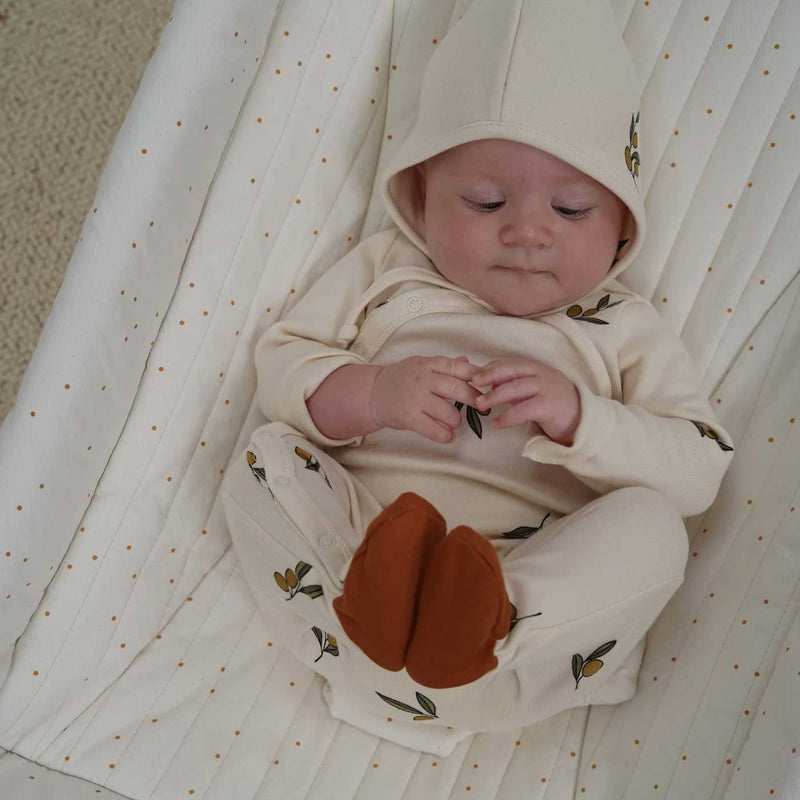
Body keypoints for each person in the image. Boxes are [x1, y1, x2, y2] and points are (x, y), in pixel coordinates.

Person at [220, 0, 734, 756]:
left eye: (571, 206)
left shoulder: (621, 326)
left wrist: (581, 420)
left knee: (656, 532)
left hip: (521, 616)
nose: (528, 230)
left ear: (622, 225)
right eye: (486, 200)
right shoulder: (387, 271)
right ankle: (377, 605)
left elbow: (698, 471)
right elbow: (282, 367)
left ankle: (480, 630)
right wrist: (374, 393)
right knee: (263, 458)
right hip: (358, 565)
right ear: (420, 197)